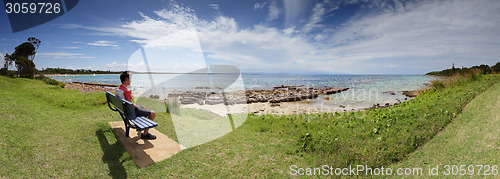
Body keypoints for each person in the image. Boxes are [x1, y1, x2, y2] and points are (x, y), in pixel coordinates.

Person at [116, 71, 157, 140]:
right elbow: (132, 105)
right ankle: (145, 134)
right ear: (126, 79)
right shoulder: (126, 91)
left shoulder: (119, 89)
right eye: (130, 78)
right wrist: (137, 106)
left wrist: (139, 106)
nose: (131, 80)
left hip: (125, 110)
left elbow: (129, 103)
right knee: (153, 114)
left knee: (143, 107)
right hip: (131, 112)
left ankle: (139, 127)